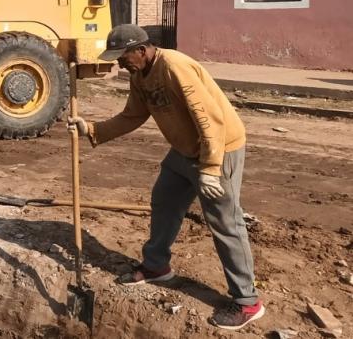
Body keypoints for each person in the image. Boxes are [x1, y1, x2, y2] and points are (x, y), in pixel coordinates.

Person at [68, 24, 263, 331]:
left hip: (218, 148)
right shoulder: (139, 75)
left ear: (142, 50)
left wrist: (211, 168)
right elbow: (133, 115)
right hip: (184, 151)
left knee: (225, 222)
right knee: (164, 201)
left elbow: (208, 118)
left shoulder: (174, 66)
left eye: (123, 56)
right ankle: (156, 266)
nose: (119, 63)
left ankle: (248, 301)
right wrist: (92, 130)